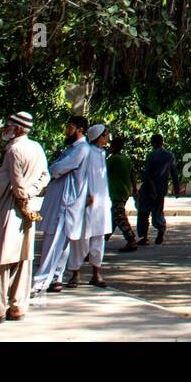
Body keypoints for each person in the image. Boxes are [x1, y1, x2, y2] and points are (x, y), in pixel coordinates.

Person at [0, 111, 49, 323]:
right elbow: (45, 176)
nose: (3, 129)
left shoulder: (13, 150)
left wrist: (24, 195)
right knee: (22, 261)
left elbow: (17, 185)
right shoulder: (36, 147)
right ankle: (17, 308)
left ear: (16, 128)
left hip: (7, 211)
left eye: (7, 125)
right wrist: (32, 194)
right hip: (27, 212)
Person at [33, 115, 90, 294]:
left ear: (80, 129)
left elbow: (58, 168)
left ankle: (41, 281)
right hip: (62, 203)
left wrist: (50, 170)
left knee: (55, 242)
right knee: (60, 243)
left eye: (70, 127)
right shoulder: (72, 148)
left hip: (67, 204)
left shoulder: (81, 149)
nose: (67, 131)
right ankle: (56, 277)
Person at [66, 124, 113, 288]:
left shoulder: (102, 153)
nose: (108, 137)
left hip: (101, 203)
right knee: (81, 239)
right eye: (106, 134)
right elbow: (81, 175)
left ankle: (96, 273)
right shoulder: (87, 152)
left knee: (98, 240)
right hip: (87, 203)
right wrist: (85, 195)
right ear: (100, 137)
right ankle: (75, 273)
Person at [137, 133, 180, 246]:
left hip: (149, 189)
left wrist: (151, 189)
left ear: (154, 143)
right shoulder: (170, 156)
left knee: (143, 212)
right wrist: (177, 188)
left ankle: (144, 237)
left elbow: (147, 174)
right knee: (158, 211)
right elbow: (174, 173)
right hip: (161, 188)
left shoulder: (151, 156)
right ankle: (161, 227)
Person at [106, 134, 138, 252]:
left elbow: (101, 170)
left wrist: (106, 153)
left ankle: (131, 239)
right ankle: (103, 237)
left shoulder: (113, 159)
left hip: (115, 192)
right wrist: (134, 189)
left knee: (119, 217)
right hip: (124, 191)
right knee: (114, 216)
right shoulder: (125, 159)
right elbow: (132, 175)